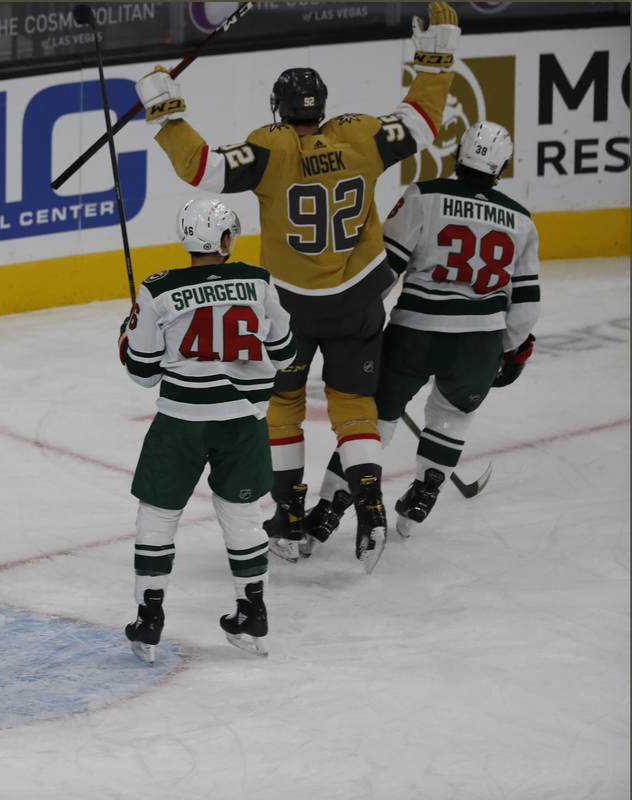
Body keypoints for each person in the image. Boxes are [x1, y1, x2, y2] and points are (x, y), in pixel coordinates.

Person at [134, 2, 462, 573]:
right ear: (324, 105)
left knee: (282, 404)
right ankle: (370, 503)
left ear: (279, 109)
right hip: (359, 297)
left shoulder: (270, 147)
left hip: (289, 305)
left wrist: (168, 114)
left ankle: (287, 517)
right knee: (355, 404)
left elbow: (202, 170)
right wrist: (435, 61)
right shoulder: (362, 135)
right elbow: (422, 123)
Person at [121, 196, 296, 662]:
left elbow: (142, 373)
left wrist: (128, 334)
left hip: (180, 421)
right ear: (223, 239)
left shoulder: (157, 290)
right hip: (243, 423)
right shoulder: (259, 282)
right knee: (241, 517)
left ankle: (149, 618)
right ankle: (252, 611)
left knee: (158, 514)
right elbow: (286, 353)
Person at [370, 120, 539, 536]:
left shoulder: (424, 194)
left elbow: (385, 269)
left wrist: (360, 320)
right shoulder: (521, 220)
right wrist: (510, 348)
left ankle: (336, 501)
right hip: (478, 345)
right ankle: (426, 491)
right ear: (502, 168)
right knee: (452, 416)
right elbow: (526, 305)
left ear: (457, 155)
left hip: (415, 333)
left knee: (374, 418)